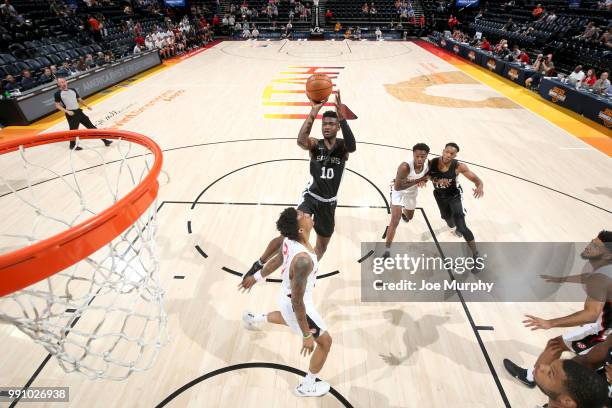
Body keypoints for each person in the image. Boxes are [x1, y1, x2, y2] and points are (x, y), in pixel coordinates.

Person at [242, 91, 356, 277]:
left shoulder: (343, 147)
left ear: (337, 127)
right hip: (310, 197)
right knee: (289, 234)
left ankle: (307, 272)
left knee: (322, 245)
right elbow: (301, 141)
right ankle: (260, 262)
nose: (327, 127)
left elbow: (353, 147)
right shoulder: (315, 144)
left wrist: (343, 120)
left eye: (331, 124)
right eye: (324, 124)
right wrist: (313, 111)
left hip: (329, 203)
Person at [240, 207, 333, 397]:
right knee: (325, 342)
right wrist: (307, 336)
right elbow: (298, 303)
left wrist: (256, 277)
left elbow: (278, 260)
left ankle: (254, 318)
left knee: (285, 317)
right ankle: (306, 385)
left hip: (285, 298)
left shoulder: (290, 241)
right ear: (300, 229)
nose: (308, 215)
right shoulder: (303, 261)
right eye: (304, 216)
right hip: (296, 303)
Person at [504, 231, 612, 388]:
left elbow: (591, 314)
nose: (589, 246)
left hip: (601, 328)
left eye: (596, 246)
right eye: (591, 242)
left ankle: (531, 377)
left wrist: (550, 323)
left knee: (555, 345)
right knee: (586, 364)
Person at [428, 143, 484, 265]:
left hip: (454, 196)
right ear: (443, 151)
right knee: (448, 220)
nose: (448, 155)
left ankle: (475, 254)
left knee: (462, 227)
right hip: (439, 196)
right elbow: (428, 176)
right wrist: (436, 180)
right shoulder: (432, 162)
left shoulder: (459, 166)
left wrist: (480, 186)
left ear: (455, 155)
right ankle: (455, 222)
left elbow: (477, 180)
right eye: (447, 152)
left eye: (451, 154)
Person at [383, 143, 430, 258]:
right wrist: (418, 180)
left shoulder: (429, 165)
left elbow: (428, 177)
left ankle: (403, 214)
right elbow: (397, 187)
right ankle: (387, 250)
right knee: (395, 220)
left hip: (411, 192)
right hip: (398, 191)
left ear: (426, 156)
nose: (419, 159)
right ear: (413, 154)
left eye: (422, 156)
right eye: (417, 156)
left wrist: (424, 181)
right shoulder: (405, 167)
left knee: (409, 217)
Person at [53, 77, 112, 150]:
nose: (63, 83)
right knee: (73, 131)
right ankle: (72, 146)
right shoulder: (57, 94)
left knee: (91, 127)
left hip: (79, 112)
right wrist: (67, 111)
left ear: (66, 82)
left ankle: (105, 141)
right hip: (71, 114)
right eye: (61, 82)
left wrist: (86, 105)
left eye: (64, 81)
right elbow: (57, 105)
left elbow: (79, 99)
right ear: (58, 84)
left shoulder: (73, 90)